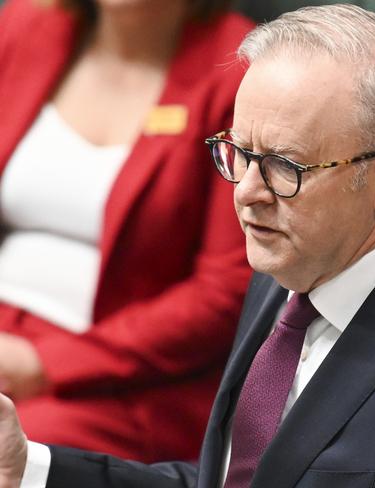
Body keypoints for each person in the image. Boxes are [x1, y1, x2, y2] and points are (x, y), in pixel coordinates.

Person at [0, 4, 375, 487]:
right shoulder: (288, 269)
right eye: (240, 153)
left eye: (283, 165)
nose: (246, 193)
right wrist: (29, 465)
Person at [0, 0, 253, 462]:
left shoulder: (239, 70)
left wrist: (47, 363)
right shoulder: (27, 23)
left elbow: (225, 291)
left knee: (21, 450)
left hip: (124, 379)